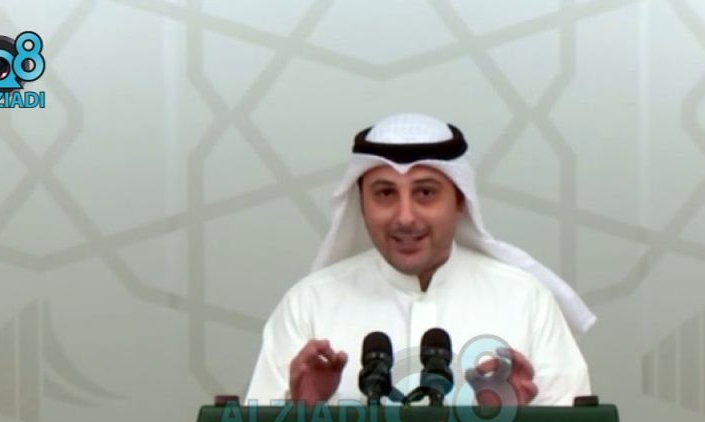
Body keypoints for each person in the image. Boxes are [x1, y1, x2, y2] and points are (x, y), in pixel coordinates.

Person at [245, 113, 596, 407]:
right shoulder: (309, 306)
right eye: (385, 193)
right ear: (361, 203)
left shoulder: (526, 302)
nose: (405, 217)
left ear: (460, 200)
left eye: (425, 192)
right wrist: (301, 414)